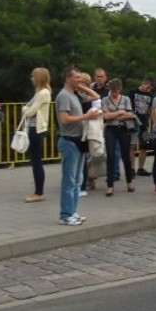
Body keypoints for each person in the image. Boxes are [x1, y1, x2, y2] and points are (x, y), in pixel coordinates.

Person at [56, 67, 98, 225]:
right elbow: (65, 119)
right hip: (69, 140)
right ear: (68, 79)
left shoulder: (74, 94)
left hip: (79, 141)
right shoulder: (64, 96)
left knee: (77, 180)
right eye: (76, 78)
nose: (79, 80)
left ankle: (72, 211)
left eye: (81, 78)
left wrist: (79, 85)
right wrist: (86, 116)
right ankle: (65, 215)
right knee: (69, 179)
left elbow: (95, 96)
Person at [21, 68, 52, 203]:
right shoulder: (41, 92)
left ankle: (39, 192)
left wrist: (25, 109)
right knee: (35, 160)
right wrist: (27, 108)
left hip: (36, 129)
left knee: (36, 161)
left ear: (39, 78)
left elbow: (29, 111)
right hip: (35, 128)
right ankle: (38, 191)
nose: (31, 79)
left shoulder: (42, 93)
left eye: (33, 76)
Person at [102, 78, 136, 195]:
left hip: (123, 129)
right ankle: (110, 185)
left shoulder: (125, 99)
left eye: (116, 91)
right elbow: (105, 116)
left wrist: (114, 116)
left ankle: (129, 181)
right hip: (110, 130)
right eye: (112, 91)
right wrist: (120, 112)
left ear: (120, 89)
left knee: (125, 156)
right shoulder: (105, 100)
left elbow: (130, 114)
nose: (114, 93)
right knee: (110, 156)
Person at [131, 77, 156, 177]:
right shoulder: (133, 93)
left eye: (150, 88)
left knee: (144, 146)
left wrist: (153, 123)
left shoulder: (150, 96)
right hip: (133, 122)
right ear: (144, 83)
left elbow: (152, 109)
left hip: (144, 122)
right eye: (148, 87)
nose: (148, 90)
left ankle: (141, 168)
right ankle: (131, 168)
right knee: (132, 146)